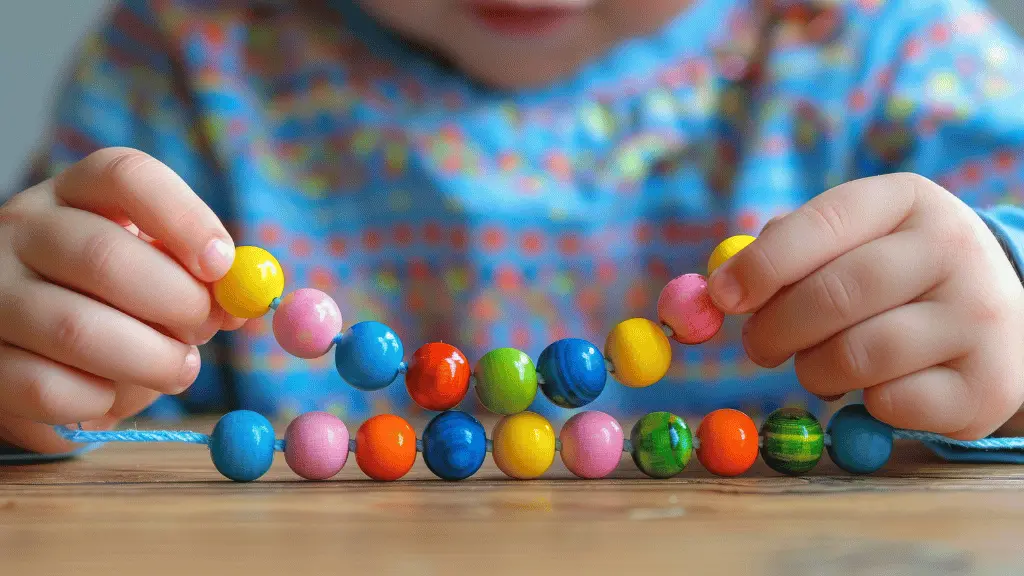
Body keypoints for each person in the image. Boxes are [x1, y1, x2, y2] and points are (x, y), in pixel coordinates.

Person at [2, 0, 1024, 458]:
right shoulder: (178, 68)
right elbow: (60, 373)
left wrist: (1007, 301)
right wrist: (29, 358)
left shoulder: (893, 53)